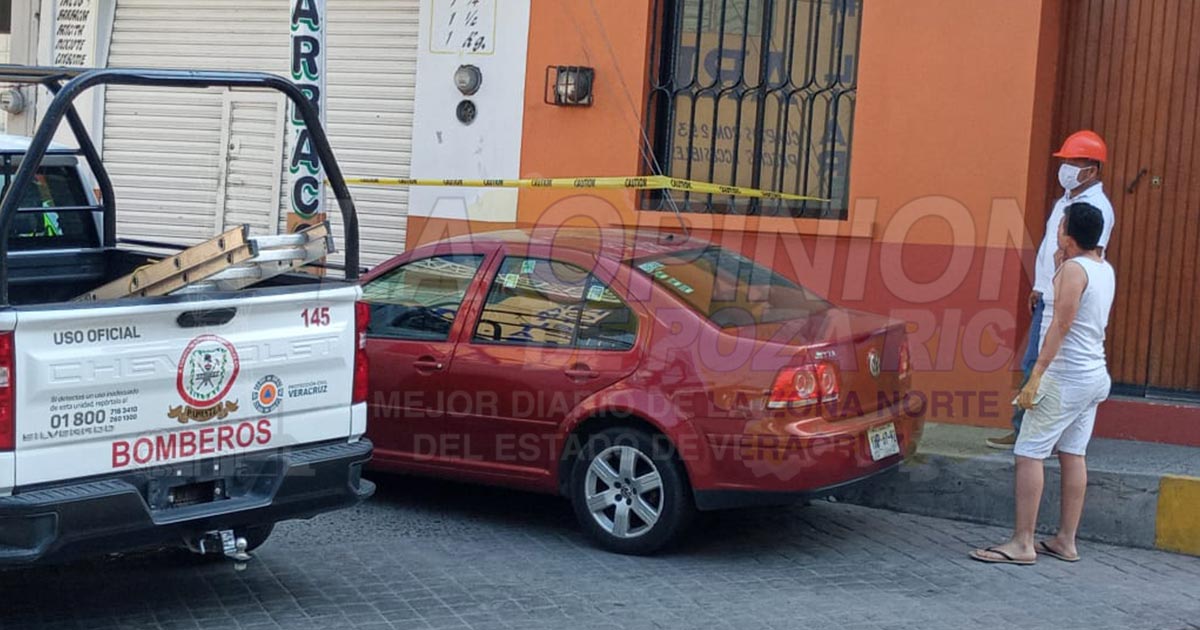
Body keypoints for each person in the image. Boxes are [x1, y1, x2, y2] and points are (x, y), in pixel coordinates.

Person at [970, 203, 1115, 565]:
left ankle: (1022, 542)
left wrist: (1036, 377)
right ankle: (1066, 540)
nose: (1058, 230)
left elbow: (1060, 325)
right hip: (1094, 374)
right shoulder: (1102, 268)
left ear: (1068, 233)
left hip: (1065, 376)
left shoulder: (1073, 270)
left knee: (1028, 452)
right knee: (1073, 453)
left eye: (1061, 225)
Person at [987, 130, 1114, 449]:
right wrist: (1039, 285)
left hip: (1065, 297)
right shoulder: (1066, 200)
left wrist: (1053, 289)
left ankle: (1027, 432)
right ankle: (1029, 429)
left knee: (1038, 362)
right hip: (1049, 290)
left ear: (1093, 169)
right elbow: (1050, 248)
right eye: (1066, 160)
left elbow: (1082, 255)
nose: (1067, 167)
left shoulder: (1096, 207)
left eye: (1075, 161)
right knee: (1034, 359)